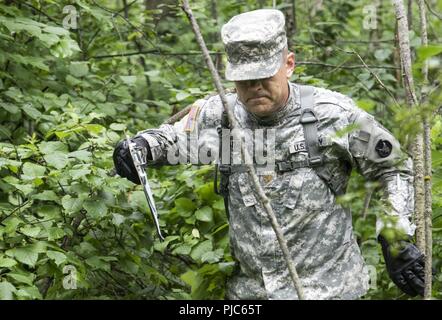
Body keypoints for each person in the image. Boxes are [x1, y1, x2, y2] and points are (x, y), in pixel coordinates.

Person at [113, 9, 426, 299]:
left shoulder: (331, 114)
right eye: (245, 79)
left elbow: (392, 167)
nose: (255, 87)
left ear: (288, 64)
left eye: (264, 76)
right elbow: (172, 140)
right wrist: (140, 147)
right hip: (250, 294)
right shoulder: (221, 116)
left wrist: (395, 234)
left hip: (329, 290)